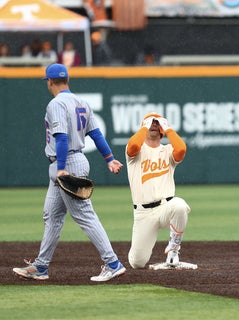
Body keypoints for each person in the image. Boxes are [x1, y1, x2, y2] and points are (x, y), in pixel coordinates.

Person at [13, 63, 126, 282]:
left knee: (84, 215)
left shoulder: (56, 104)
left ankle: (113, 263)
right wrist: (109, 158)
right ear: (67, 80)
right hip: (71, 161)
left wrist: (62, 167)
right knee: (52, 216)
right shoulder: (81, 102)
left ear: (50, 81)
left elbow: (62, 137)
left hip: (66, 163)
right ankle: (41, 267)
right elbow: (96, 134)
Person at [125, 112, 191, 269]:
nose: (153, 124)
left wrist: (168, 128)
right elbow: (133, 146)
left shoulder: (168, 150)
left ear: (162, 129)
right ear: (144, 126)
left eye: (157, 122)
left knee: (180, 205)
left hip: (165, 207)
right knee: (137, 263)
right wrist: (145, 126)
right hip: (143, 213)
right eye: (150, 122)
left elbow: (181, 149)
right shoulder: (136, 150)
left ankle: (173, 252)